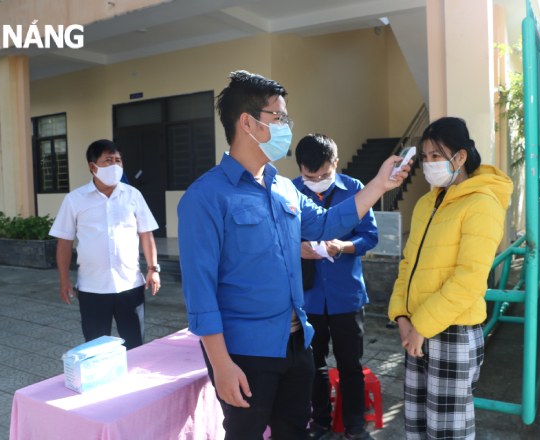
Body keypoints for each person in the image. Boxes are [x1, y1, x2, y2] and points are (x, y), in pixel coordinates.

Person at [177, 71, 411, 440]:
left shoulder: (284, 187)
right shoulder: (205, 197)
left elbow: (327, 224)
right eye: (279, 117)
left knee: (294, 433)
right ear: (248, 123)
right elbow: (199, 291)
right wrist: (221, 366)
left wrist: (380, 184)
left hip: (297, 342)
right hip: (246, 353)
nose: (287, 126)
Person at [388, 117, 513, 440]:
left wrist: (422, 327)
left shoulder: (482, 203)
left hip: (451, 333)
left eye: (436, 155)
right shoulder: (426, 202)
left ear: (460, 157)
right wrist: (401, 315)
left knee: (448, 432)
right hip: (416, 332)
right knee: (417, 425)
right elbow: (408, 264)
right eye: (425, 156)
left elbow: (469, 279)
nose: (429, 164)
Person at [292, 133, 378, 440]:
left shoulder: (355, 189)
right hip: (308, 296)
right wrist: (298, 246)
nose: (316, 181)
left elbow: (370, 237)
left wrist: (343, 245)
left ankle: (355, 426)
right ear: (300, 168)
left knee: (350, 365)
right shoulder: (288, 191)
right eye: (309, 176)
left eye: (324, 175)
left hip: (347, 295)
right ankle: (320, 423)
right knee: (312, 366)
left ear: (336, 164)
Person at [50, 139, 161, 350]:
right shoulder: (75, 199)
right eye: (108, 160)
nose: (115, 165)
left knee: (136, 347)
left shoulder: (133, 195)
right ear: (93, 167)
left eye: (118, 160)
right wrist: (64, 279)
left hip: (130, 287)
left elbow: (146, 235)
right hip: (93, 290)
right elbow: (64, 243)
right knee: (96, 350)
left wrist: (153, 269)